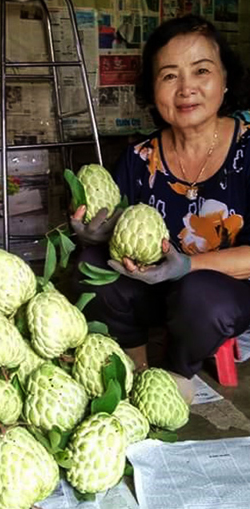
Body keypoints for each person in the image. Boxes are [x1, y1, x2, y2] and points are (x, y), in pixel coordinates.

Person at [70, 14, 250, 402]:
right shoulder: (139, 159)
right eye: (169, 76)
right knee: (91, 263)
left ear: (225, 80)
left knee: (200, 295)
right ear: (153, 90)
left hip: (227, 291)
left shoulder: (249, 150)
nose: (186, 88)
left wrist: (187, 265)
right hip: (149, 290)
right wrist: (96, 232)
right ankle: (134, 361)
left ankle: (176, 371)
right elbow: (113, 230)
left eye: (201, 71)